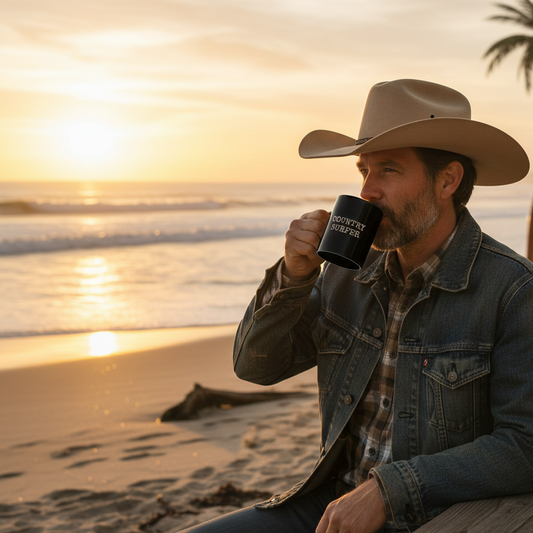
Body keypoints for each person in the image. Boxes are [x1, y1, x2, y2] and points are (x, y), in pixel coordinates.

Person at [180, 79, 533, 533]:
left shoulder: (512, 289)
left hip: (440, 515)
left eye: (387, 170)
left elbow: (525, 445)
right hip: (332, 504)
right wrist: (294, 275)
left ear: (447, 180)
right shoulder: (346, 272)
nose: (366, 190)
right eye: (363, 171)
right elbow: (255, 366)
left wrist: (392, 488)